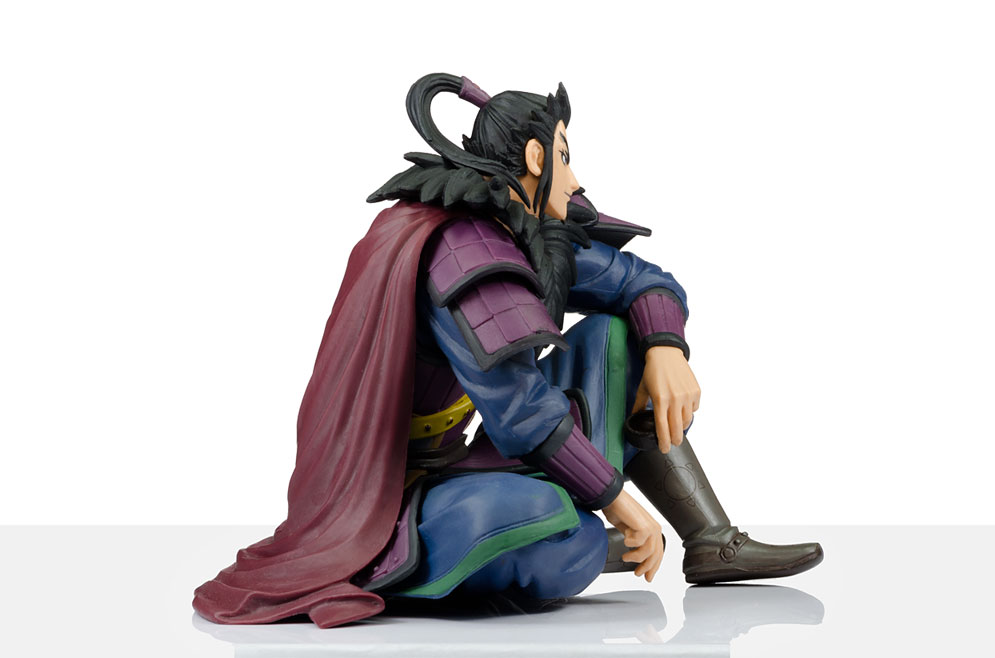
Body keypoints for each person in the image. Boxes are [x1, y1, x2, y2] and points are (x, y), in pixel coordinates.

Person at [192, 73, 823, 629]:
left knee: (621, 336)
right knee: (547, 519)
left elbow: (643, 281)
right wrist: (621, 502)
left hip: (467, 461)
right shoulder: (463, 247)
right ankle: (586, 543)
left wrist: (666, 349)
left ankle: (710, 540)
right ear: (534, 156)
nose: (575, 178)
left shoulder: (522, 227)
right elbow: (519, 408)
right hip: (390, 504)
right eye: (565, 158)